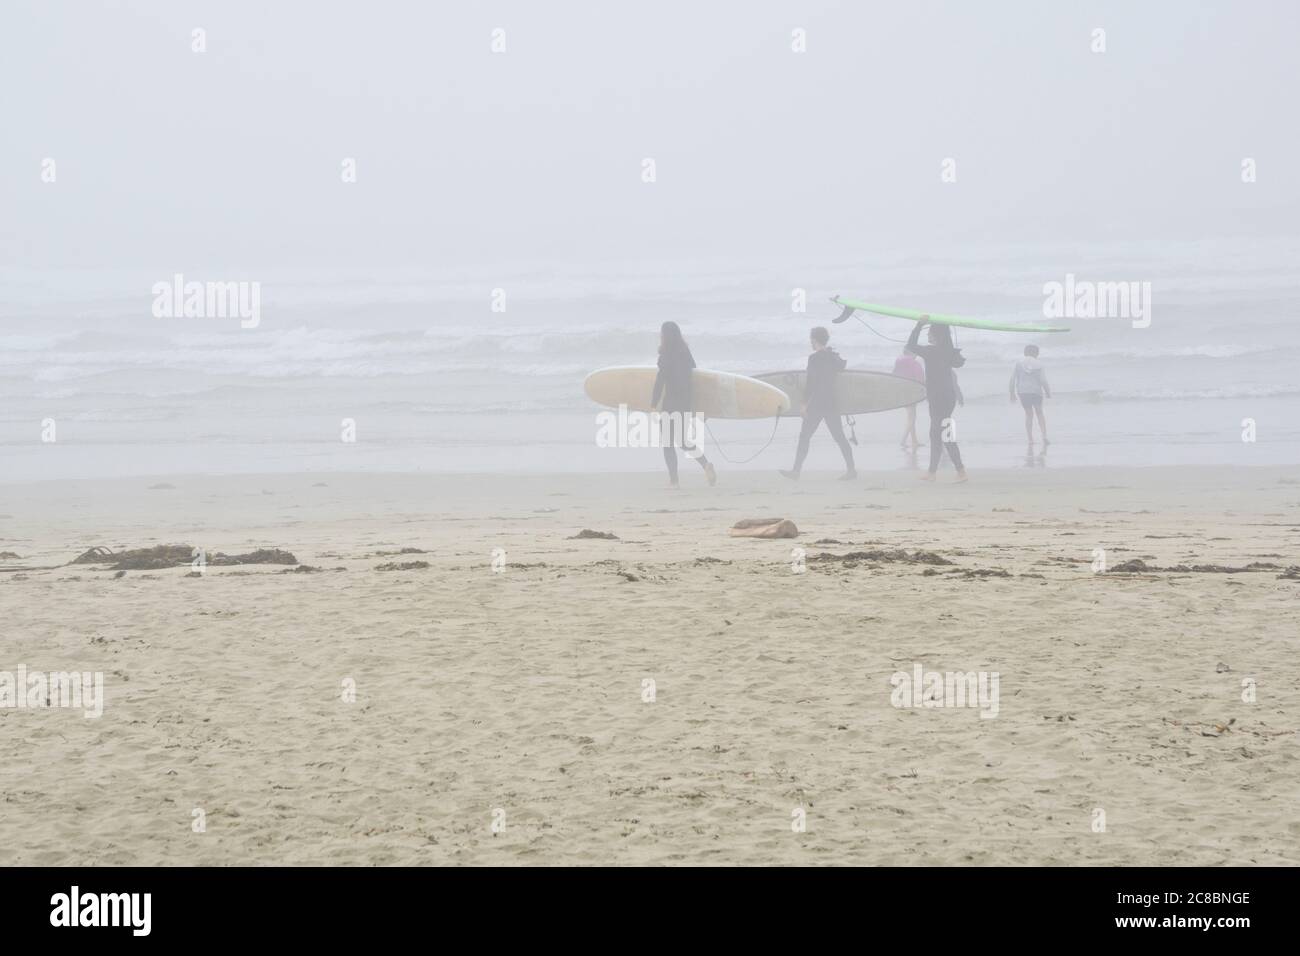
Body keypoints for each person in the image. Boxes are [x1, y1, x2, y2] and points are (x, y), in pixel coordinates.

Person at [780, 326, 856, 481]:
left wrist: (803, 403)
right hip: (831, 403)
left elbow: (811, 383)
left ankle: (796, 471)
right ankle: (851, 470)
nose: (810, 342)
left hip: (817, 404)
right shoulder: (833, 357)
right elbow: (842, 369)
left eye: (811, 340)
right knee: (839, 437)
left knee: (805, 437)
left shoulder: (814, 359)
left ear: (814, 340)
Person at [651, 321, 716, 488]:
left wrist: (653, 403)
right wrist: (702, 406)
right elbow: (696, 377)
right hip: (685, 402)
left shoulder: (665, 355)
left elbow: (660, 380)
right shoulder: (685, 352)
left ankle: (674, 481)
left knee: (668, 442)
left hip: (671, 402)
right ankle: (705, 464)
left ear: (664, 336)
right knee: (682, 440)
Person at [905, 318, 968, 482]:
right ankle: (935, 472)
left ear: (937, 335)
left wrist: (918, 325)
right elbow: (958, 362)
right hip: (948, 397)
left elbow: (910, 346)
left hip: (938, 397)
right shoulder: (948, 351)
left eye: (930, 332)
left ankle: (958, 471)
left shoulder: (931, 351)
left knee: (940, 433)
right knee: (940, 432)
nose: (928, 334)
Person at [1009, 344, 1050, 445]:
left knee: (1029, 414)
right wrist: (1048, 392)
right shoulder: (1039, 364)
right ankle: (1044, 436)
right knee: (1039, 413)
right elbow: (1043, 380)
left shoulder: (1018, 363)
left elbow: (1012, 379)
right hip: (1036, 392)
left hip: (1023, 392)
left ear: (1025, 353)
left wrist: (1012, 393)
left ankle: (1030, 439)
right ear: (1036, 353)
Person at [892, 350, 925, 448]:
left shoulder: (898, 362)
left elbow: (894, 376)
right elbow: (920, 379)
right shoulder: (914, 363)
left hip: (902, 391)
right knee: (912, 418)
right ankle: (903, 440)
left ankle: (914, 441)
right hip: (912, 392)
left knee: (910, 416)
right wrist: (923, 390)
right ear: (912, 353)